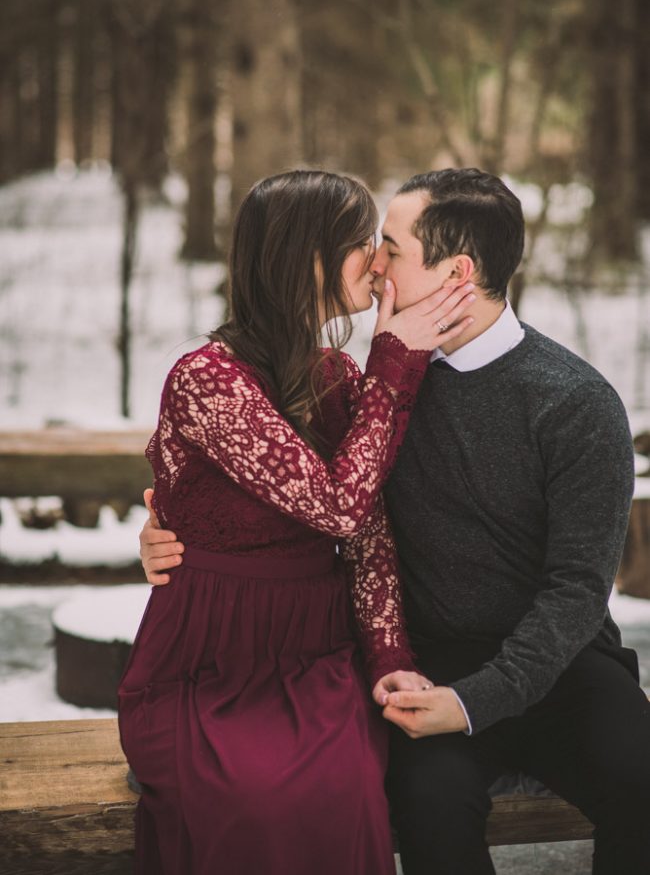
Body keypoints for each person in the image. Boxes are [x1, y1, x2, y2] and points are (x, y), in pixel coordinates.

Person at [142, 168, 650, 875]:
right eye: (368, 246)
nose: (376, 263)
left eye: (390, 247)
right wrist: (172, 525)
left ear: (457, 271)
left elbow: (574, 591)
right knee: (428, 806)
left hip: (560, 665)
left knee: (643, 778)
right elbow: (314, 499)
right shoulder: (382, 383)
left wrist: (473, 699)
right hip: (425, 660)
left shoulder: (578, 405)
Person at [119, 168, 476, 875]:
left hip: (316, 653)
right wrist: (395, 361)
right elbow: (336, 505)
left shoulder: (339, 377)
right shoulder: (208, 380)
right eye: (359, 242)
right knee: (251, 799)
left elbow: (368, 534)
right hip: (211, 660)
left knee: (344, 791)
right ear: (303, 256)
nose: (378, 262)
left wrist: (389, 658)